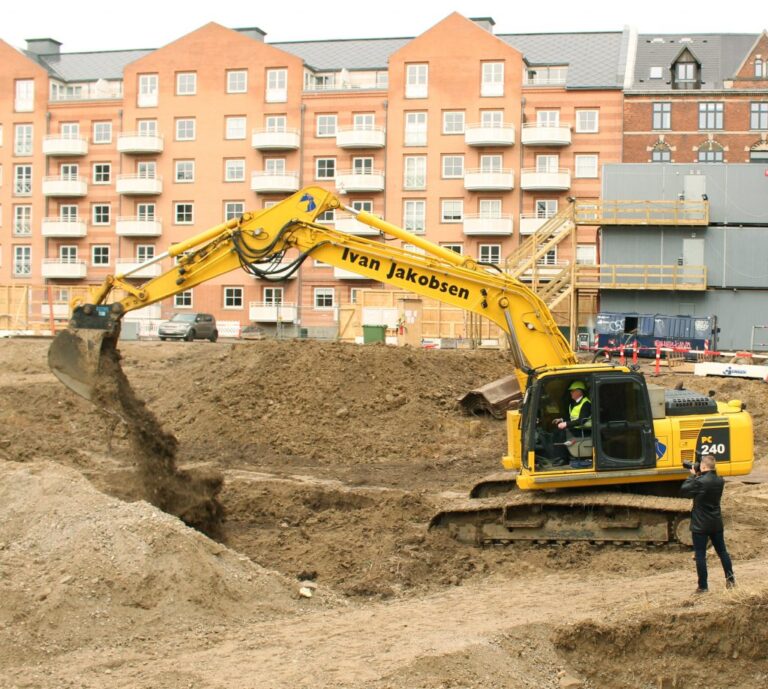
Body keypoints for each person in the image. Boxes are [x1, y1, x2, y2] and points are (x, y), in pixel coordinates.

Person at [680, 454, 736, 593]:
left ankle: (703, 587)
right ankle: (731, 580)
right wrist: (699, 474)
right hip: (716, 522)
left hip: (700, 524)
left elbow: (684, 490)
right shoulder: (720, 480)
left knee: (700, 555)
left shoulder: (699, 481)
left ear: (703, 466)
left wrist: (693, 475)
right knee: (722, 552)